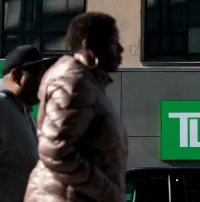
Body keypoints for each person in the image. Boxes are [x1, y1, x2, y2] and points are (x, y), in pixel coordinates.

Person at [24, 12, 128, 202]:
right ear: (89, 47)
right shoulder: (73, 81)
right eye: (113, 42)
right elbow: (56, 151)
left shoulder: (89, 84)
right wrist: (108, 192)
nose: (120, 49)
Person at [0, 45, 51, 202]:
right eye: (39, 77)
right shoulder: (2, 107)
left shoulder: (25, 112)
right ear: (16, 76)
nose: (44, 84)